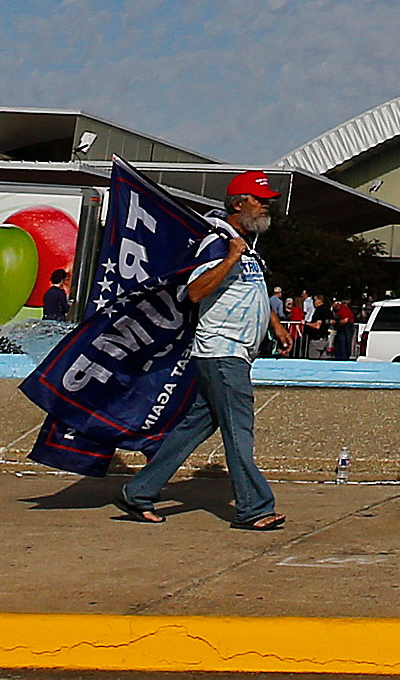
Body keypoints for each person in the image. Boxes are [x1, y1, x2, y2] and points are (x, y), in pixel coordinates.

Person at [113, 170, 285, 532]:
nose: (267, 204)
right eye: (259, 199)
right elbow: (195, 291)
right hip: (222, 351)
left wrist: (276, 324)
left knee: (192, 429)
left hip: (234, 351)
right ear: (238, 204)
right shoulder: (219, 242)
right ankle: (253, 507)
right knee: (239, 429)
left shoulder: (246, 244)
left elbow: (250, 291)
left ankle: (139, 491)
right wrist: (230, 258)